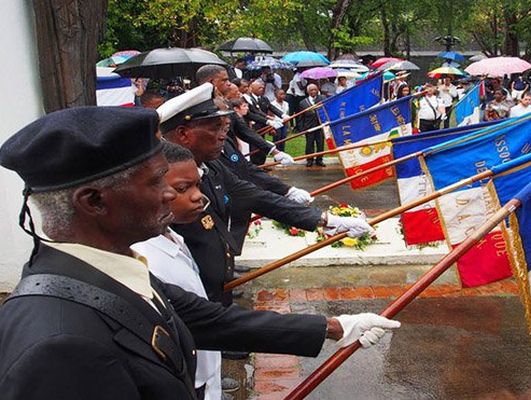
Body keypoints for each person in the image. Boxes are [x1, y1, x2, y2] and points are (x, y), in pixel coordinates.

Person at [0, 106, 400, 400]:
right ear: (94, 201)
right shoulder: (58, 348)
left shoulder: (106, 270)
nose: (169, 195)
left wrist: (336, 327)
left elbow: (203, 318)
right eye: (158, 182)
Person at [158, 83, 374, 303]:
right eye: (215, 128)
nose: (223, 135)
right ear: (183, 133)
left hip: (216, 289)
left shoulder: (211, 166)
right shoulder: (159, 182)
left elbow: (252, 195)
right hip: (187, 295)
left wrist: (325, 219)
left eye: (223, 127)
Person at [131, 142, 224, 400]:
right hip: (186, 380)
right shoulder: (145, 259)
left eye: (197, 185)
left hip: (205, 369)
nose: (199, 196)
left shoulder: (173, 235)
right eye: (183, 188)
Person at [297, 83, 327, 167]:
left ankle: (319, 160)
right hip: (309, 126)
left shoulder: (322, 98)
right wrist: (302, 129)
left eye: (315, 89)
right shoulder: (303, 103)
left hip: (320, 126)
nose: (313, 91)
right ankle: (309, 159)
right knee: (309, 144)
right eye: (311, 90)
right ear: (308, 92)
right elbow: (300, 117)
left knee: (320, 143)